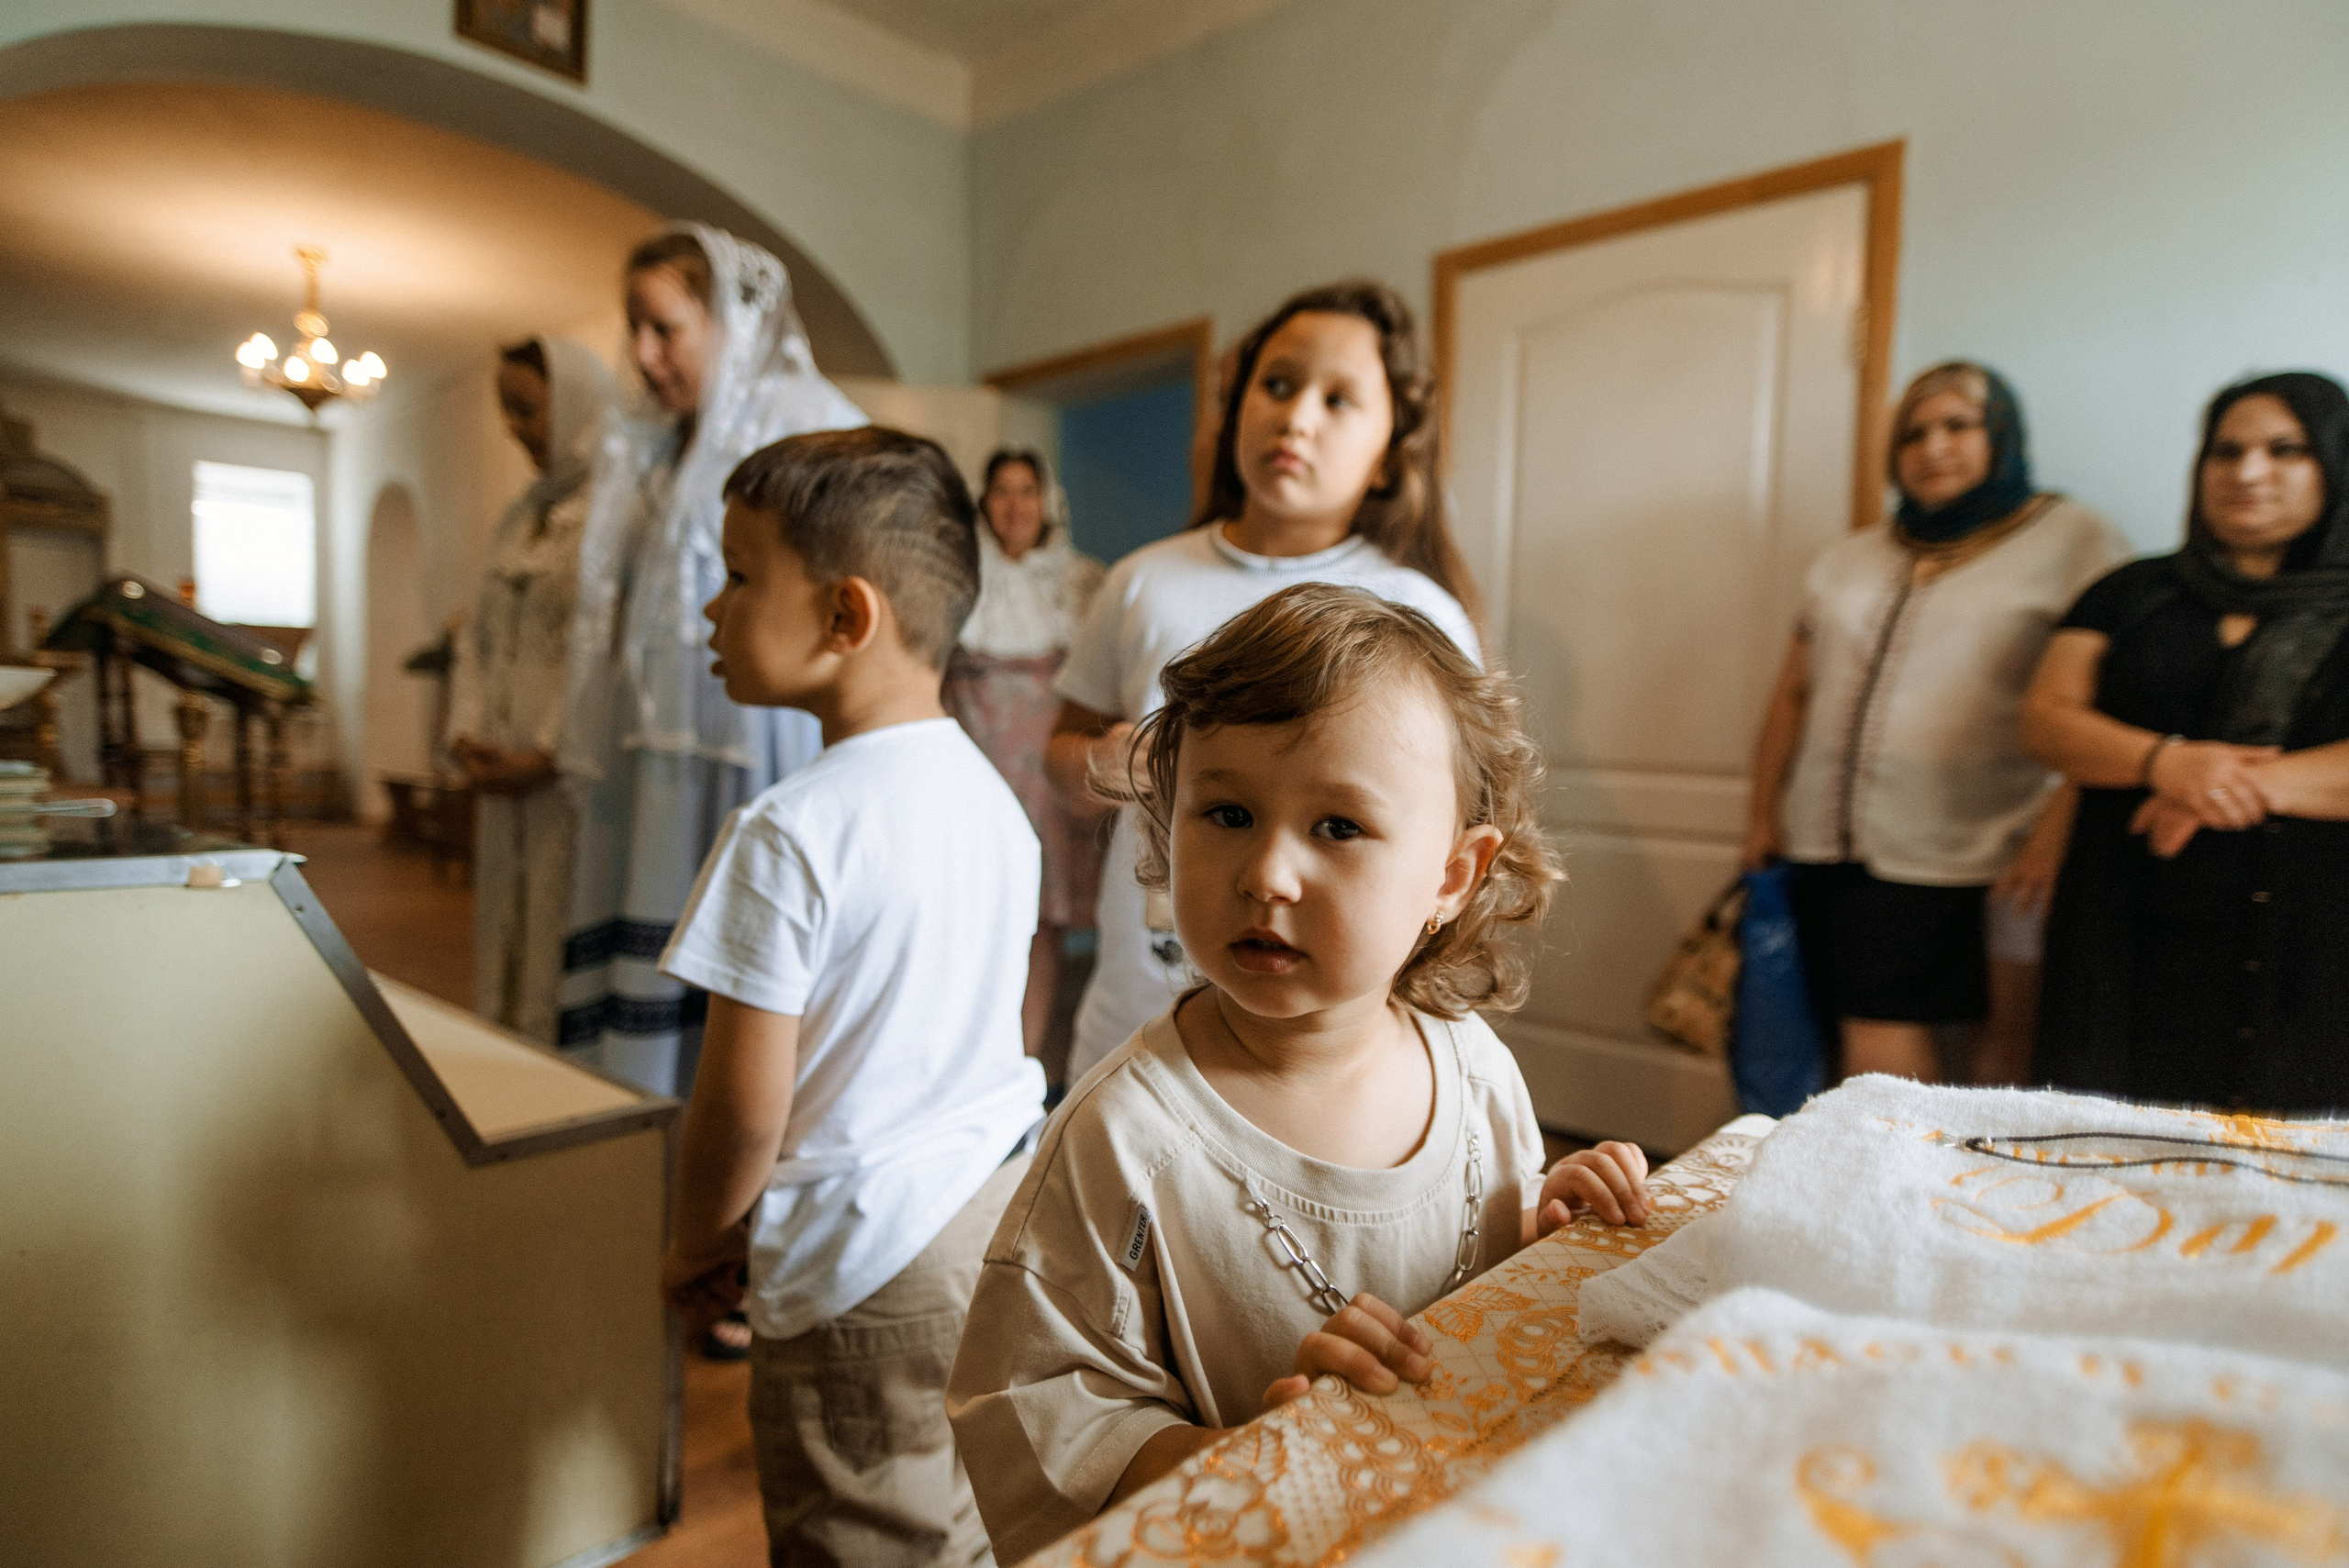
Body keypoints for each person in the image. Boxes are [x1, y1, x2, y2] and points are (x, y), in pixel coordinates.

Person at [947, 584, 1647, 1565]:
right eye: (1225, 811)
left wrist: (1541, 1232)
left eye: (1336, 827)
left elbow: (1473, 1269)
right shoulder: (1123, 1136)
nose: (1266, 873)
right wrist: (1240, 1455)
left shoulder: (1475, 1068)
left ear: (1450, 876)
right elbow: (1041, 1409)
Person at [657, 428, 1047, 1564]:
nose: (710, 612)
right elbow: (998, 1016)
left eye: (737, 576)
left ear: (845, 617)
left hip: (857, 1260)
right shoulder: (992, 804)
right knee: (963, 1513)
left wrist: (696, 1243)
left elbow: (740, 1107)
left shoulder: (788, 830)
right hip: (986, 1214)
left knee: (857, 1530)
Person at [1048, 279, 1485, 1084]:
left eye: (1338, 399)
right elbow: (1060, 750)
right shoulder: (1143, 580)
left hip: (1320, 1040)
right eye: (1276, 385)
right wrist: (1103, 766)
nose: (1297, 417)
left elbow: (1443, 841)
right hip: (1136, 998)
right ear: (1236, 405)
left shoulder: (1418, 612)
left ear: (1389, 450)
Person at [1742, 361, 2128, 1084]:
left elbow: (2106, 704)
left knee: (2010, 1047)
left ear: (2003, 435)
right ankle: (1890, 1183)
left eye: (1959, 425)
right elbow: (1792, 693)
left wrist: (2055, 831)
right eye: (1913, 433)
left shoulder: (2076, 540)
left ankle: (1972, 1190)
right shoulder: (1848, 558)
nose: (1933, 446)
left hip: (1998, 841)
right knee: (1871, 1030)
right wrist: (1761, 816)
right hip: (1842, 846)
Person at [558, 223, 867, 1099]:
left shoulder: (804, 422)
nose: (648, 355)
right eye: (636, 330)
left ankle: (737, 1108)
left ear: (726, 319)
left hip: (754, 736)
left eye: (667, 327)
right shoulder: (653, 446)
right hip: (658, 737)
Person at [2021, 371, 2349, 1113]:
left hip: (2315, 933)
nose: (2248, 472)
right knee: (2107, 1142)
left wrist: (2215, 789)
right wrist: (2164, 762)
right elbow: (2045, 717)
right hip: (2128, 924)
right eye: (2225, 451)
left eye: (2285, 449)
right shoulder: (2131, 591)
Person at [445, 337, 615, 1044]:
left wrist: (547, 752)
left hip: (564, 771)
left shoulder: (610, 517)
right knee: (501, 926)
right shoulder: (518, 516)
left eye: (526, 408)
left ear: (574, 404)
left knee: (552, 924)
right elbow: (478, 639)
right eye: (506, 411)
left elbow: (604, 648)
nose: (514, 426)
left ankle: (551, 1072)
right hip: (499, 761)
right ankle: (499, 1056)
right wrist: (468, 733)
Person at [942, 449, 1108, 1075]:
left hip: (1047, 788)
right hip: (974, 780)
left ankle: (1025, 1073)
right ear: (985, 503)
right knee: (972, 928)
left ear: (1047, 502)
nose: (1015, 504)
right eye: (1002, 491)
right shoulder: (958, 581)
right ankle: (967, 1070)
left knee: (1041, 928)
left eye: (1026, 490)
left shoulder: (1082, 582)